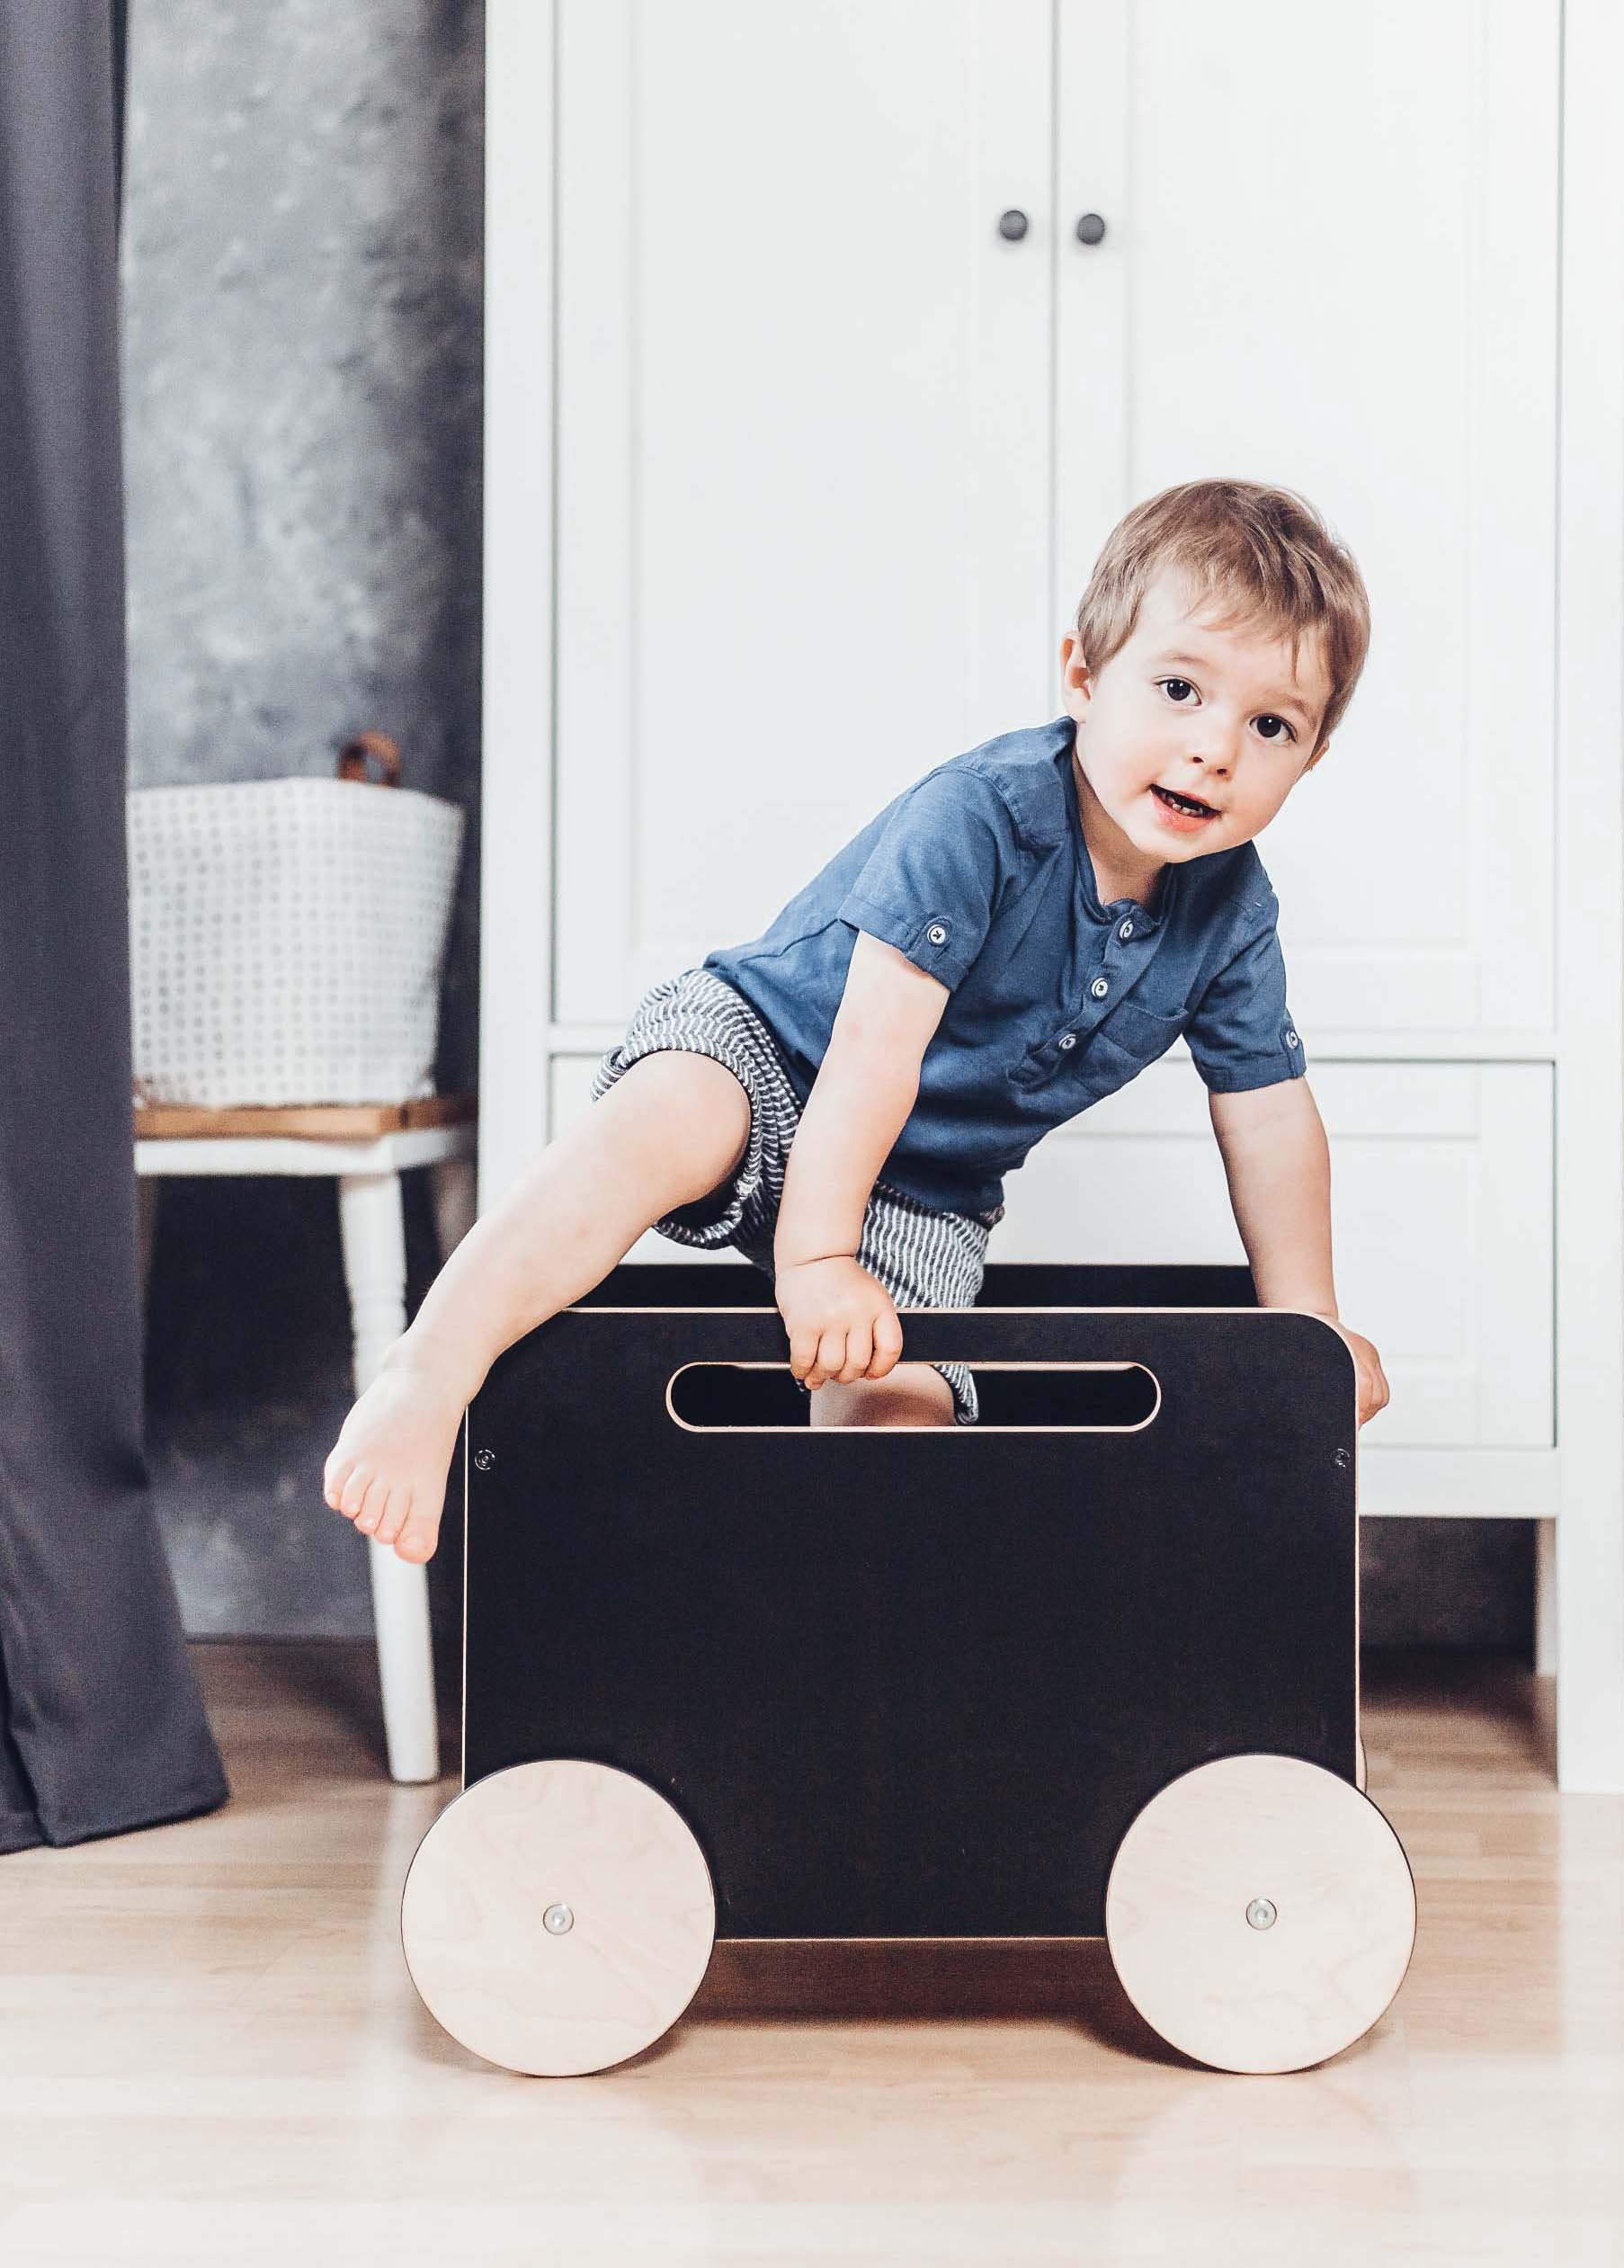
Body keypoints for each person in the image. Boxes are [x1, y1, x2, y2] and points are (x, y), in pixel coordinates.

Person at [325, 477, 1391, 1565]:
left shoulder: (1233, 913)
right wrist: (818, 1253)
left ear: (1311, 758)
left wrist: (1312, 1330)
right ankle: (430, 1373)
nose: (1216, 746)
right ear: (1083, 675)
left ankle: (843, 1660)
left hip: (925, 1188)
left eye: (1271, 724)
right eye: (1179, 688)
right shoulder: (980, 817)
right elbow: (875, 1049)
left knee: (897, 1420)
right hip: (777, 1054)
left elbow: (1266, 1120)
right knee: (663, 1124)